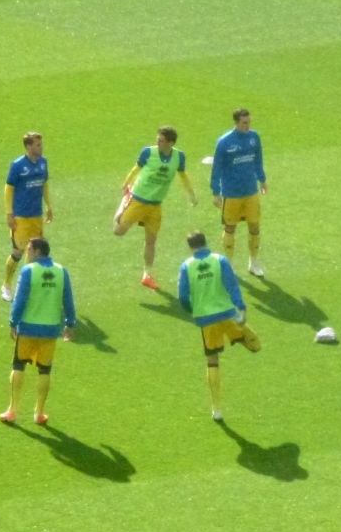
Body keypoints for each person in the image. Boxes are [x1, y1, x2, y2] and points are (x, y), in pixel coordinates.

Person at [178, 231, 261, 421]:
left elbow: (182, 297)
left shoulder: (186, 266)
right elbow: (232, 285)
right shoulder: (220, 260)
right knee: (257, 346)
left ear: (190, 247)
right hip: (228, 315)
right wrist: (241, 307)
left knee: (212, 360)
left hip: (206, 320)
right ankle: (237, 336)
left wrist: (194, 310)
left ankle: (216, 409)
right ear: (206, 242)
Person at [0, 238, 77, 425]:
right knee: (45, 370)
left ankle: (12, 410)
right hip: (50, 330)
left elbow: (20, 300)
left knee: (18, 366)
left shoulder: (28, 271)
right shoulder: (61, 271)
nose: (27, 253)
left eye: (29, 249)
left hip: (28, 327)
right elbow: (68, 299)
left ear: (36, 251)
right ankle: (39, 414)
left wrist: (13, 322)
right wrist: (70, 323)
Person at [113, 126, 198, 290]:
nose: (157, 142)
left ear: (171, 143)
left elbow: (183, 176)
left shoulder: (178, 157)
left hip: (155, 205)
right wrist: (126, 184)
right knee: (118, 231)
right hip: (138, 199)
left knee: (151, 241)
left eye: (161, 140)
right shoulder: (148, 153)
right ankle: (123, 203)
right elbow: (136, 168)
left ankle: (147, 274)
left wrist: (192, 195)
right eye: (157, 139)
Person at [211, 108, 267, 276]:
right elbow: (217, 168)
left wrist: (262, 180)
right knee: (230, 227)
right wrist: (216, 191)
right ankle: (229, 266)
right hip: (232, 193)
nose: (247, 125)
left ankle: (253, 263)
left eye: (249, 122)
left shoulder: (254, 137)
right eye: (244, 123)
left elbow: (258, 160)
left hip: (250, 191)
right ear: (236, 122)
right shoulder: (224, 142)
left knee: (255, 226)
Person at [3, 132, 52, 302]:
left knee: (35, 252)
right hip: (21, 217)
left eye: (41, 144)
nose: (41, 147)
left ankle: (25, 286)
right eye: (38, 145)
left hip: (36, 216)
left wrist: (48, 206)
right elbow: (9, 189)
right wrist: (9, 213)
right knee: (18, 252)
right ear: (29, 146)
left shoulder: (43, 163)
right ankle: (6, 285)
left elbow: (44, 184)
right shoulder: (17, 165)